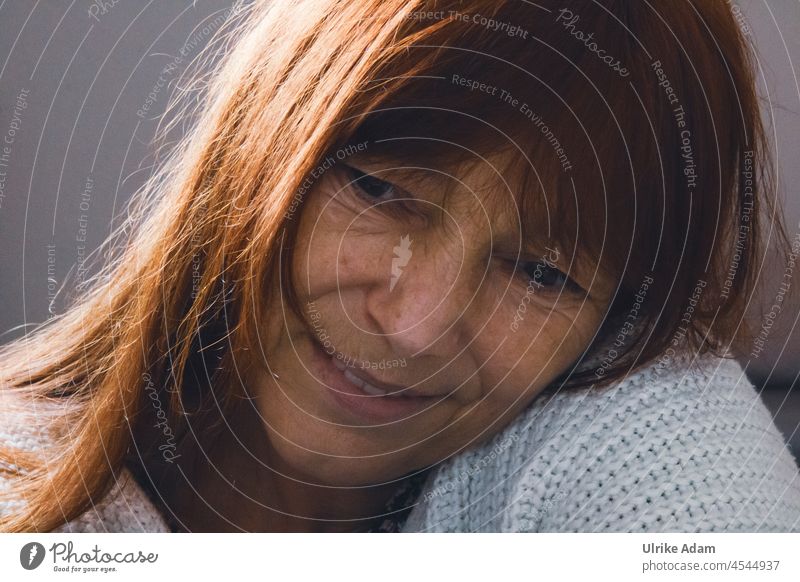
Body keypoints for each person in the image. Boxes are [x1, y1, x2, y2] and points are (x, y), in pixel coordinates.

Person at [2, 0, 799, 533]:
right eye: (380, 190)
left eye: (541, 275)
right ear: (257, 139)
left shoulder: (627, 429)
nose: (412, 323)